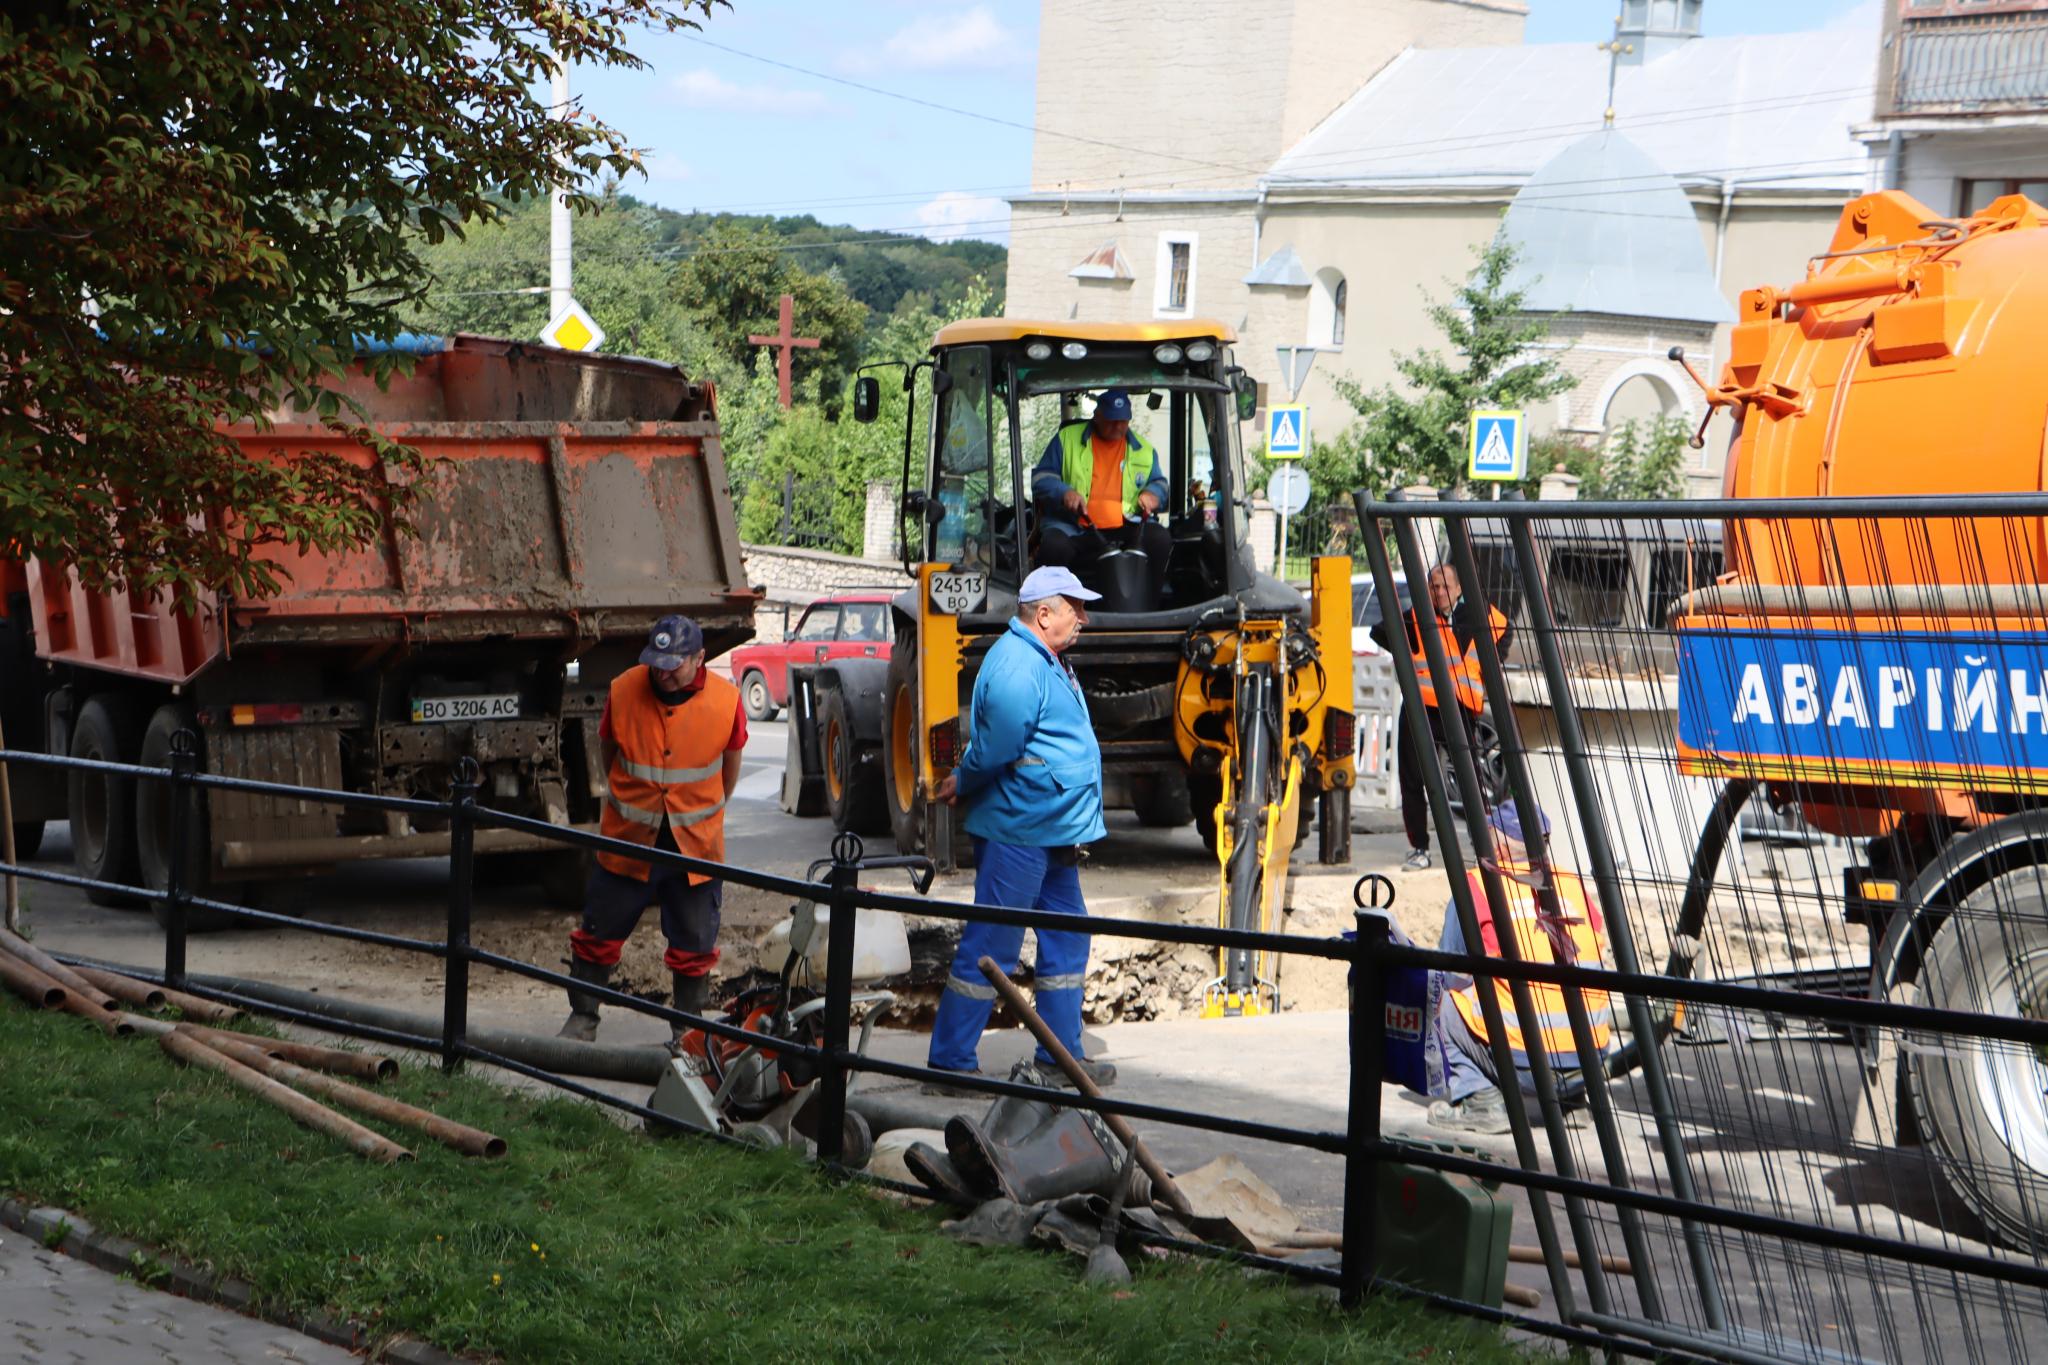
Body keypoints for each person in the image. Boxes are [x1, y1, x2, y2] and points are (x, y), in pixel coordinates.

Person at [926, 565, 1116, 1091]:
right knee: (993, 946)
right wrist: (963, 778)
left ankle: (1060, 1058)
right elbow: (1000, 748)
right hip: (1019, 831)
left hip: (1047, 827)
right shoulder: (1018, 666)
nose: (1084, 617)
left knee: (1067, 940)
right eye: (1075, 607)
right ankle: (950, 1062)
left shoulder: (1044, 658)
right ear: (1044, 613)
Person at [558, 615, 746, 1047]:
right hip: (628, 842)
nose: (662, 672)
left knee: (694, 944)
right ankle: (582, 1018)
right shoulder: (624, 689)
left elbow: (730, 765)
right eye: (655, 662)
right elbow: (609, 751)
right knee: (598, 935)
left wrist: (702, 808)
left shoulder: (726, 701)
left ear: (700, 658)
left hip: (694, 850)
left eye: (674, 663)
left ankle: (689, 1033)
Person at [1427, 801, 1613, 1135]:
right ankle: (1572, 1103)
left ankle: (1482, 1100)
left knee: (1444, 997)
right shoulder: (1570, 885)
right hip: (1590, 1062)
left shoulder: (1479, 886)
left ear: (1497, 841)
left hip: (1526, 1064)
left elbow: (1450, 963)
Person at [1380, 564, 1511, 871]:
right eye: (1434, 587)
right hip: (1421, 708)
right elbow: (1383, 632)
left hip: (1460, 708)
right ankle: (1420, 849)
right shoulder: (1416, 619)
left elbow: (1504, 629)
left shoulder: (1479, 617)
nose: (1439, 593)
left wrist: (1489, 667)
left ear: (1458, 589)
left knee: (1471, 779)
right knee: (1412, 780)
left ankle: (1484, 849)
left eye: (1445, 587)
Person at [1032, 388, 1172, 606]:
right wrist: (1064, 492)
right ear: (1097, 416)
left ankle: (1150, 608)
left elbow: (1160, 483)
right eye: (1111, 420)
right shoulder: (1066, 439)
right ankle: (1055, 612)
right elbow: (1041, 478)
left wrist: (1153, 494)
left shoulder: (1144, 449)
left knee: (1160, 539)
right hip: (1076, 527)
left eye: (1123, 421)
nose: (1118, 426)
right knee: (1053, 547)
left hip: (1128, 527)